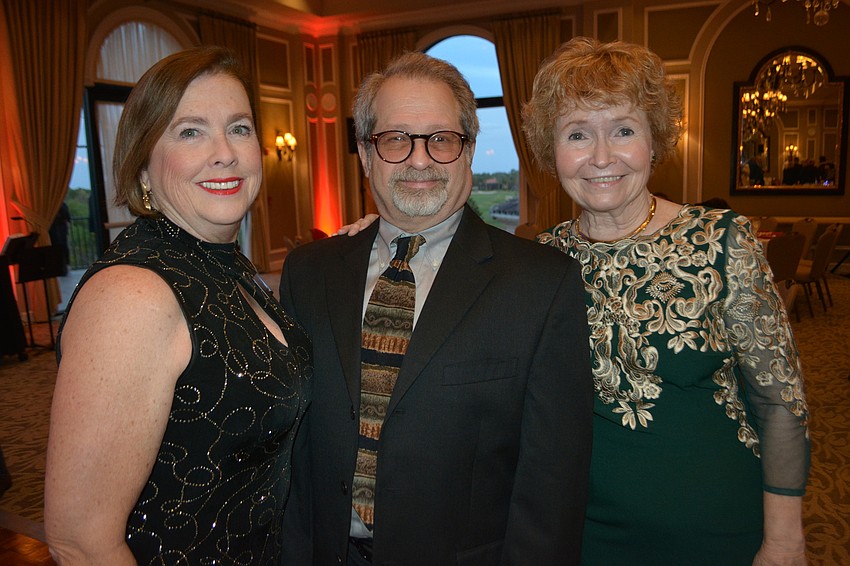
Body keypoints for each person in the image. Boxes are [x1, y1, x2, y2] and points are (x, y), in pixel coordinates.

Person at [278, 51, 593, 565]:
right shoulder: (308, 274)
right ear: (365, 153)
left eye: (441, 139)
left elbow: (552, 490)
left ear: (468, 150)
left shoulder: (541, 285)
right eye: (395, 139)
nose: (419, 160)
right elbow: (294, 452)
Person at [522, 37, 809, 565]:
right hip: (583, 536)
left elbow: (780, 402)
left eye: (624, 130)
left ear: (654, 141)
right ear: (550, 150)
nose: (601, 157)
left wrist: (785, 540)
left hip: (716, 529)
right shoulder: (538, 262)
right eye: (578, 134)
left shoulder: (724, 240)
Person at [44, 46, 311, 564]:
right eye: (190, 131)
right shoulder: (134, 295)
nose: (225, 153)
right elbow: (79, 542)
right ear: (143, 164)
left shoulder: (224, 266)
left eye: (239, 127)